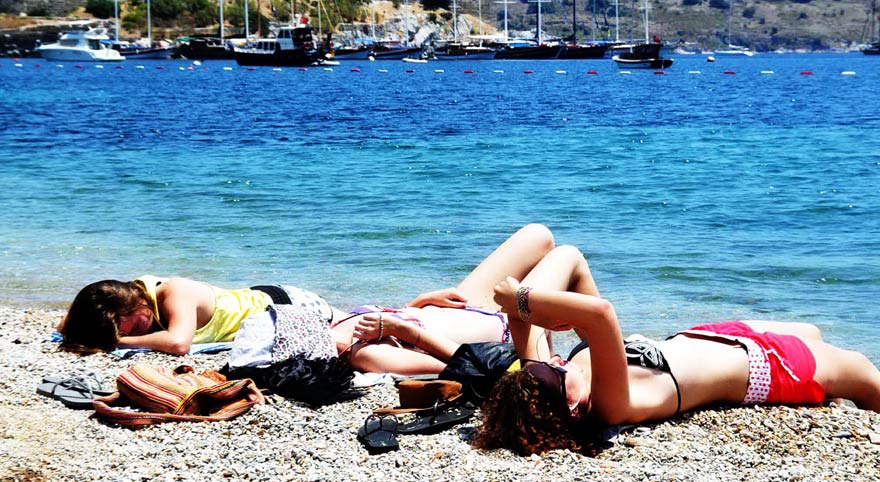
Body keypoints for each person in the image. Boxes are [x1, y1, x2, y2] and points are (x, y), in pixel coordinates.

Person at [473, 242, 880, 455]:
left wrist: (521, 309)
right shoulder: (612, 405)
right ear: (572, 408)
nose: (558, 361)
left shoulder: (545, 381)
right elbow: (601, 314)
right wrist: (523, 298)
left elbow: (570, 258)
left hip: (714, 335)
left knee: (812, 331)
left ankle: (828, 393)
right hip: (765, 367)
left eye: (547, 364)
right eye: (559, 372)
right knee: (863, 374)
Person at [58, 224, 559, 375]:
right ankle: (563, 348)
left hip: (431, 311)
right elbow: (463, 367)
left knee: (538, 236)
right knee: (549, 258)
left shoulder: (173, 292)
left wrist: (412, 309)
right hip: (489, 327)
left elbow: (178, 342)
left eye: (130, 326)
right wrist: (408, 322)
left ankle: (558, 333)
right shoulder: (364, 356)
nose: (138, 333)